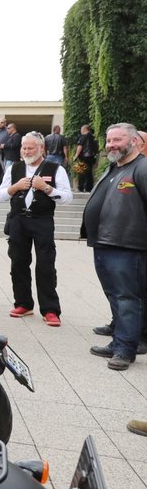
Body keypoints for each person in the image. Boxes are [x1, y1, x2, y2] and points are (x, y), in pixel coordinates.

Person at [82, 123, 147, 370]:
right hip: (104, 243)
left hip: (128, 246)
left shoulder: (142, 168)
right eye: (109, 141)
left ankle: (125, 349)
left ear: (133, 141)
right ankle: (118, 340)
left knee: (127, 297)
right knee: (115, 296)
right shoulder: (114, 168)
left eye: (117, 140)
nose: (111, 145)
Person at [0, 131, 73, 328]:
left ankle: (50, 309)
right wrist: (14, 187)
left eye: (31, 147)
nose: (26, 151)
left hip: (42, 221)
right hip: (18, 220)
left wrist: (47, 189)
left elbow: (67, 198)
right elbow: (1, 195)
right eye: (24, 147)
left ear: (41, 149)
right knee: (18, 263)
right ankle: (23, 303)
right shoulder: (14, 168)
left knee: (46, 264)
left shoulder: (56, 169)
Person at [74, 124, 99, 192]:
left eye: (81, 130)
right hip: (91, 157)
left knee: (81, 172)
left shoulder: (83, 137)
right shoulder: (93, 137)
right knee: (89, 173)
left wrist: (76, 155)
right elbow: (97, 147)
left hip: (84, 157)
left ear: (84, 129)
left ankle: (81, 187)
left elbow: (80, 146)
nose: (81, 131)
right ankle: (89, 188)